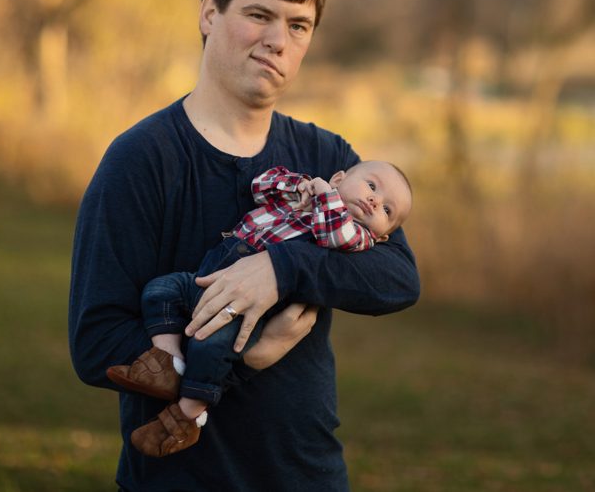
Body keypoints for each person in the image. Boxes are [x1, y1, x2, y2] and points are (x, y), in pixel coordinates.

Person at [68, 0, 420, 490]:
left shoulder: (327, 158)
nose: (278, 40)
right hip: (178, 479)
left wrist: (281, 269)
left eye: (298, 26)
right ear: (209, 14)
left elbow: (398, 278)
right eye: (259, 14)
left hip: (308, 472)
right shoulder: (142, 159)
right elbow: (97, 344)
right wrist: (245, 356)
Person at [107, 160, 413, 457]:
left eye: (387, 210)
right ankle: (167, 361)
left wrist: (326, 196)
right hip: (208, 279)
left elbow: (335, 235)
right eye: (371, 186)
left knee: (209, 347)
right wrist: (299, 186)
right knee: (161, 290)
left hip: (244, 313)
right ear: (338, 178)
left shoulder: (357, 237)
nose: (375, 201)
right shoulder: (301, 199)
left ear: (383, 235)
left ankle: (186, 416)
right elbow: (260, 187)